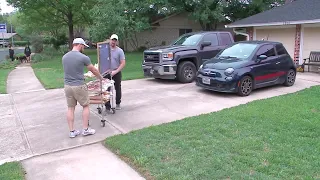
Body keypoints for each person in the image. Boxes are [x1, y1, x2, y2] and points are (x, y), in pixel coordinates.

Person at [62, 37, 104, 138]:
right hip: (79, 85)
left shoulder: (64, 57)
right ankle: (85, 129)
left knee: (70, 108)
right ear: (80, 45)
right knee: (85, 106)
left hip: (67, 86)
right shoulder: (83, 57)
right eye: (83, 46)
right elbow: (93, 69)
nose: (83, 48)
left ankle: (72, 131)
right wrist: (100, 77)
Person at [104, 34, 126, 110]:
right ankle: (107, 105)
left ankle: (117, 103)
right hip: (107, 72)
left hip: (116, 71)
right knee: (106, 88)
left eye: (115, 40)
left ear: (117, 42)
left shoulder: (120, 51)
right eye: (112, 40)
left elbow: (123, 63)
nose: (113, 42)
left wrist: (116, 71)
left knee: (118, 87)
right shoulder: (105, 49)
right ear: (110, 40)